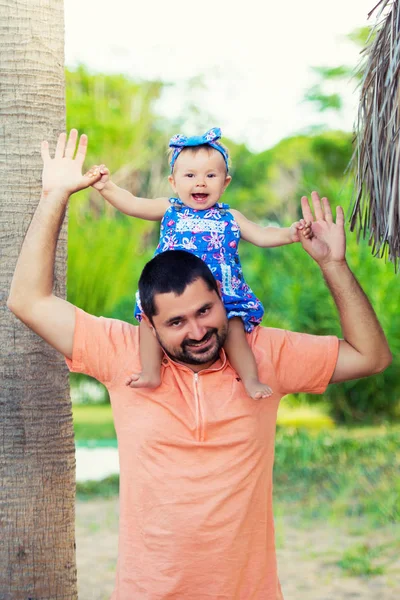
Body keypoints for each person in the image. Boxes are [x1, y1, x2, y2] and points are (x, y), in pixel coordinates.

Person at [8, 130, 391, 600]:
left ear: (221, 297)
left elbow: (372, 357)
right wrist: (55, 197)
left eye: (205, 311)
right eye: (175, 322)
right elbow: (27, 300)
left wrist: (333, 266)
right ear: (148, 322)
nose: (196, 331)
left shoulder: (262, 351)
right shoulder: (121, 351)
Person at [91, 127, 310, 399]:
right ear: (173, 182)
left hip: (221, 293)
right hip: (171, 290)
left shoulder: (232, 217)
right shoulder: (169, 210)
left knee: (235, 330)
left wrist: (291, 234)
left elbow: (263, 235)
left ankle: (251, 380)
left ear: (225, 182)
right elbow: (132, 203)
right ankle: (150, 371)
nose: (201, 183)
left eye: (210, 175)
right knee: (148, 322)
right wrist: (107, 187)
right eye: (190, 176)